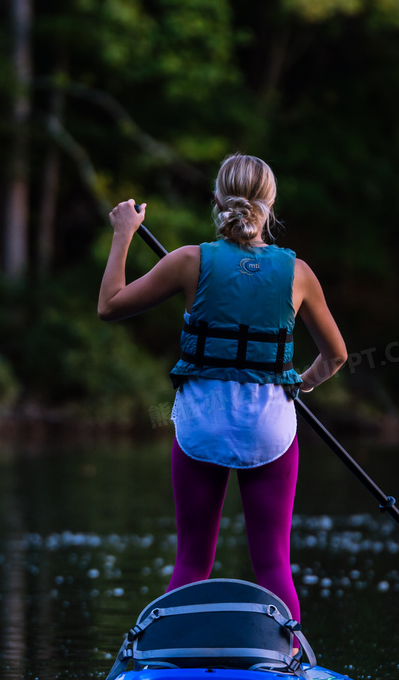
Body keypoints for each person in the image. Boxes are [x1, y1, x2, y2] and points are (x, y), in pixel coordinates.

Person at [97, 153, 347, 622]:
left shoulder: (188, 261)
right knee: (272, 563)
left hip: (200, 427)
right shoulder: (298, 273)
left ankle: (169, 655)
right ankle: (288, 655)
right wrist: (300, 385)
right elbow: (336, 357)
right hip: (270, 429)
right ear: (270, 205)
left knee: (192, 561)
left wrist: (123, 234)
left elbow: (109, 306)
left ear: (216, 198)